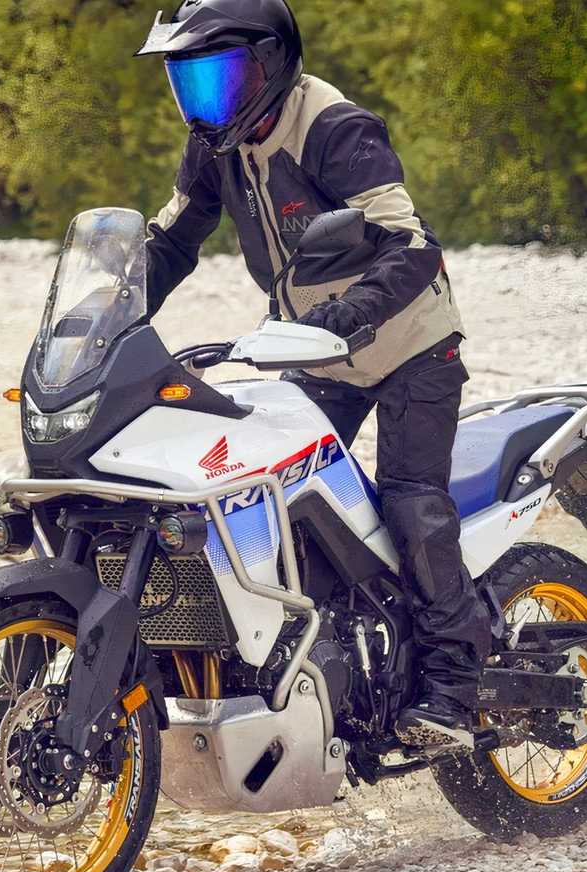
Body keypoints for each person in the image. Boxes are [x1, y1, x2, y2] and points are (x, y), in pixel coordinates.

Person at [136, 0, 486, 746]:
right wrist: (104, 309)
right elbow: (171, 243)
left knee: (411, 502)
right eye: (191, 83)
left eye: (221, 78)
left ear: (271, 62)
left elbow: (411, 244)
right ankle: (329, 663)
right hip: (309, 351)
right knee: (276, 491)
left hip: (408, 346)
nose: (208, 101)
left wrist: (337, 320)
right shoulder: (214, 149)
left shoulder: (334, 127)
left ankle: (458, 685)